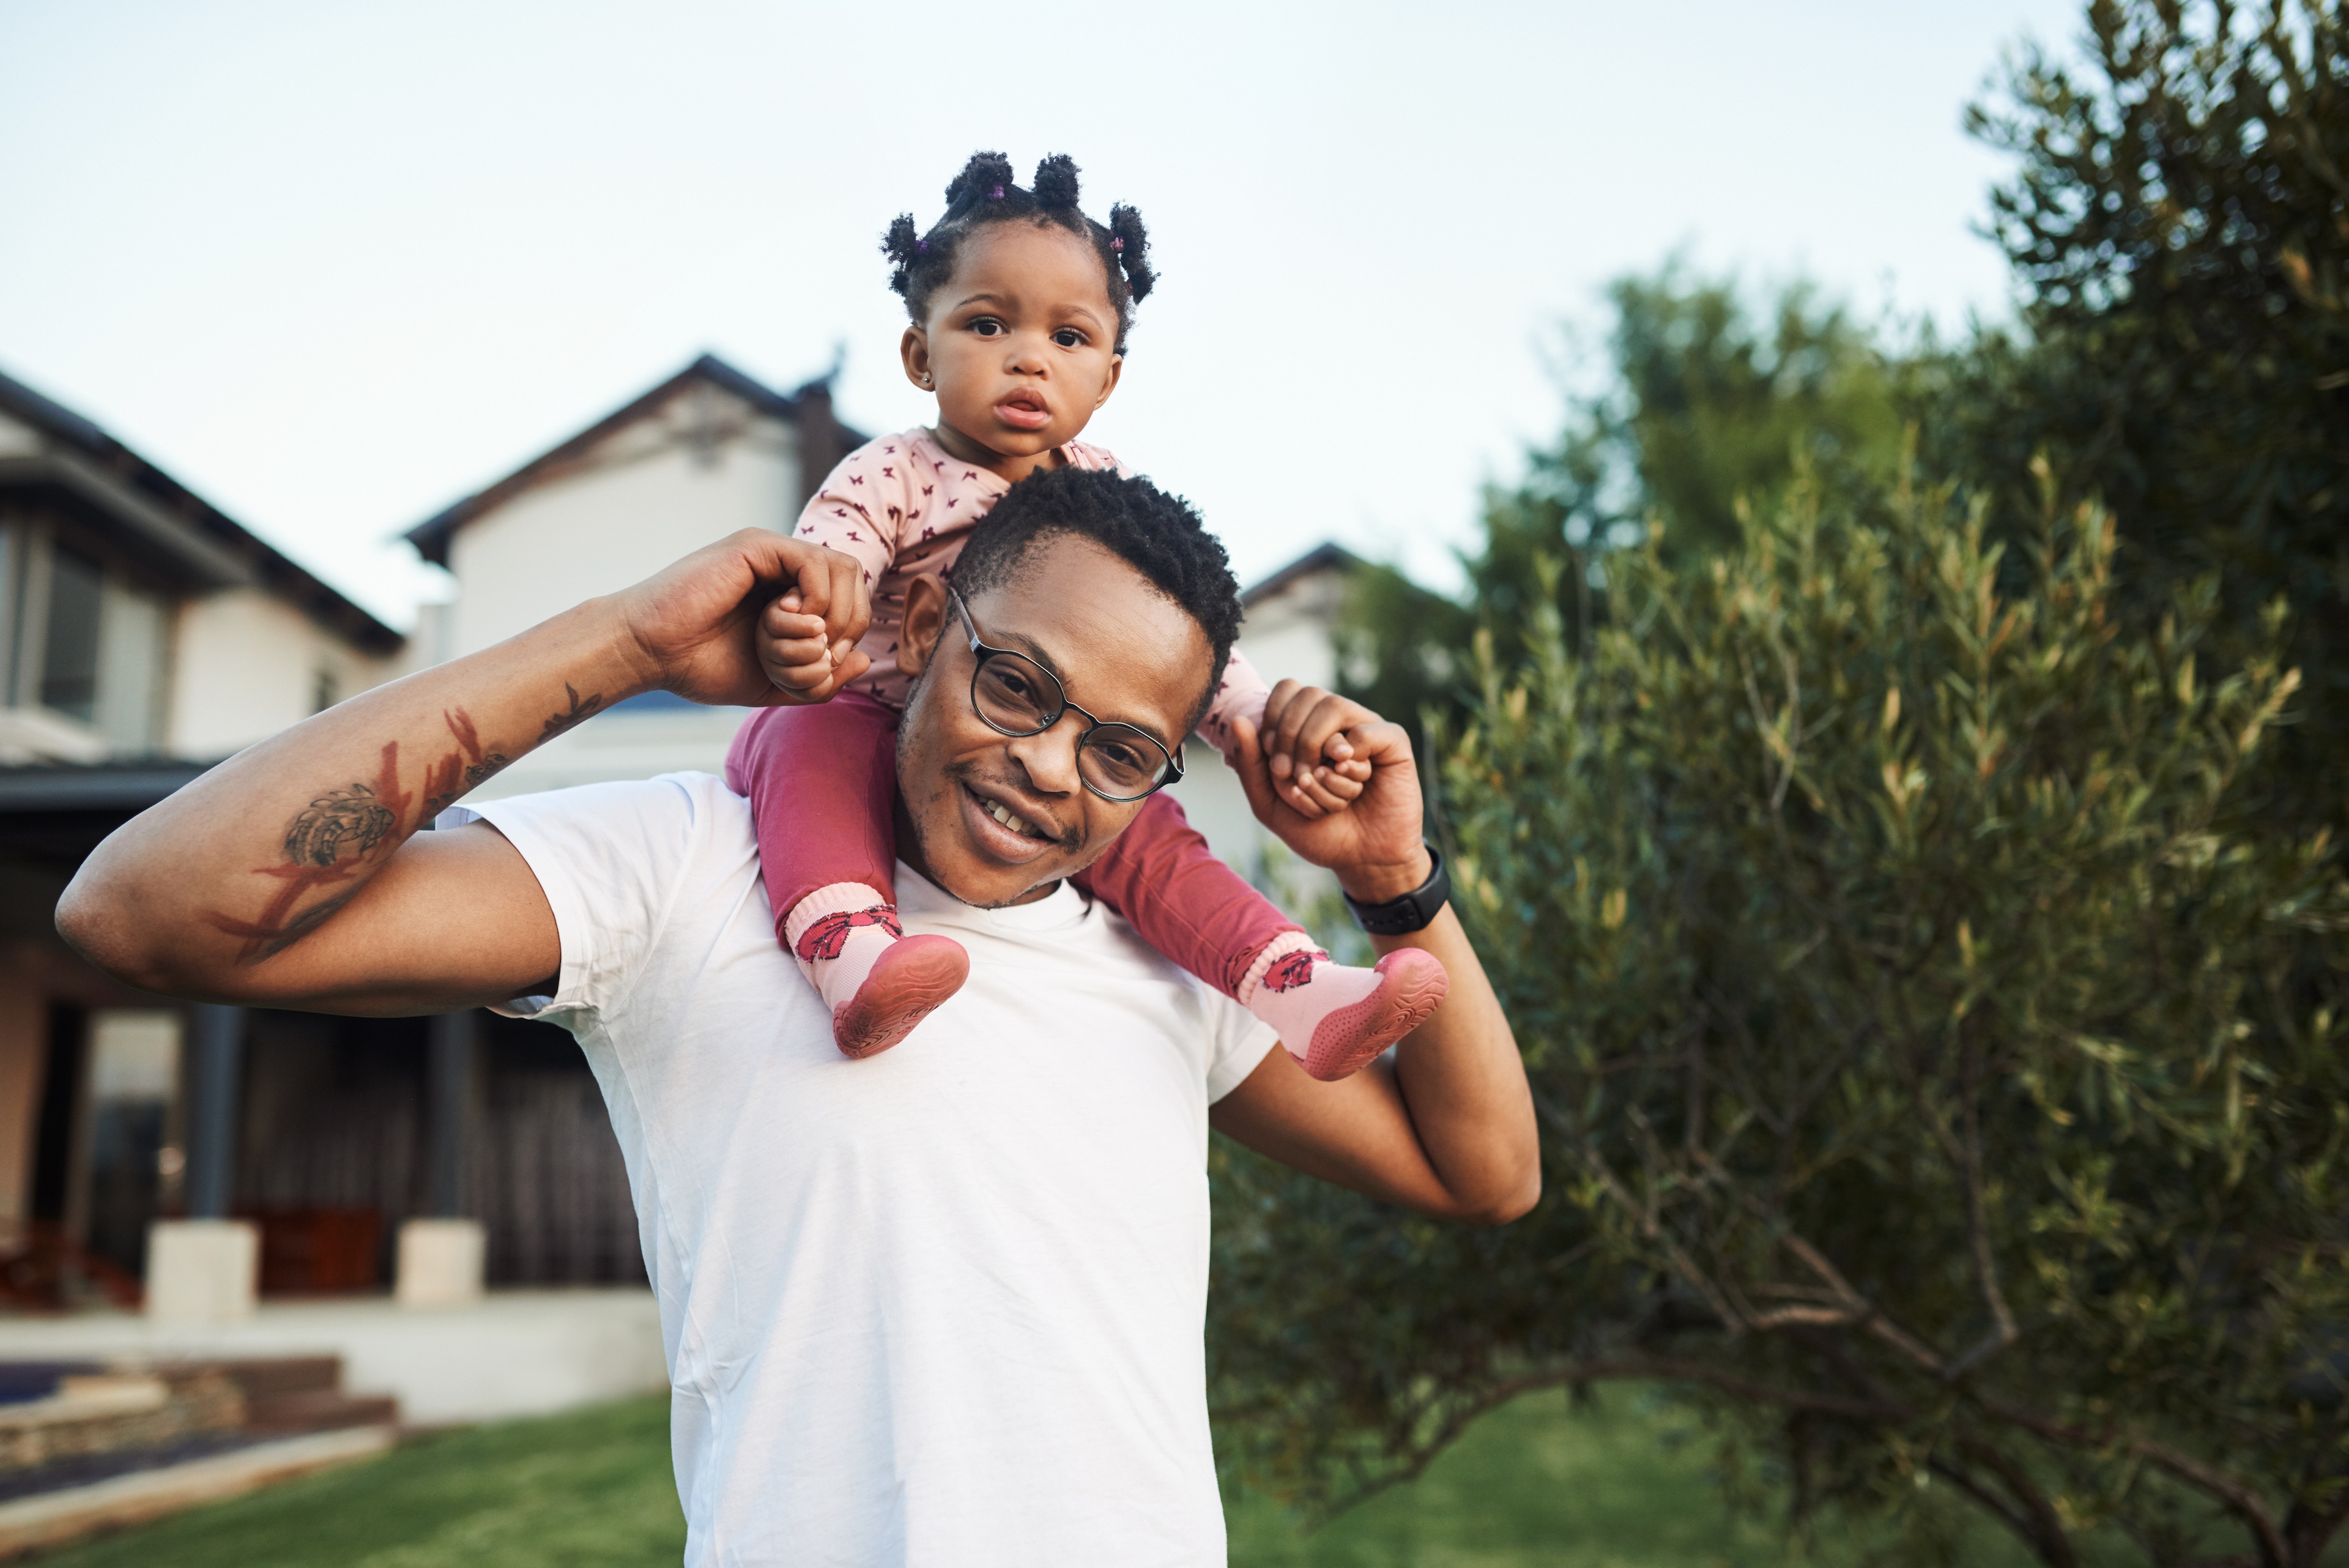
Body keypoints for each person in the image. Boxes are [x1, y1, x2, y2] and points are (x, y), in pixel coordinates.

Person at [56, 469, 1538, 1566]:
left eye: (1121, 750)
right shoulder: (687, 863)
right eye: (1015, 681)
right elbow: (144, 912)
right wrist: (624, 645)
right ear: (915, 624)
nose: (1043, 766)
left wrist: (1398, 882)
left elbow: (1488, 1175)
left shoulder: (1163, 966)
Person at [732, 150, 1445, 1074]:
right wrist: (809, 617)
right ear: (920, 354)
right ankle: (852, 954)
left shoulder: (1101, 491)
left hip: (1068, 735)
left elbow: (1176, 645)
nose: (1028, 357)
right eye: (988, 325)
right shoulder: (891, 472)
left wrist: (1252, 722)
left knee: (1153, 838)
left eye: (1068, 340)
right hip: (874, 709)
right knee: (808, 749)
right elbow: (834, 562)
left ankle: (1294, 984)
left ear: (1107, 380)